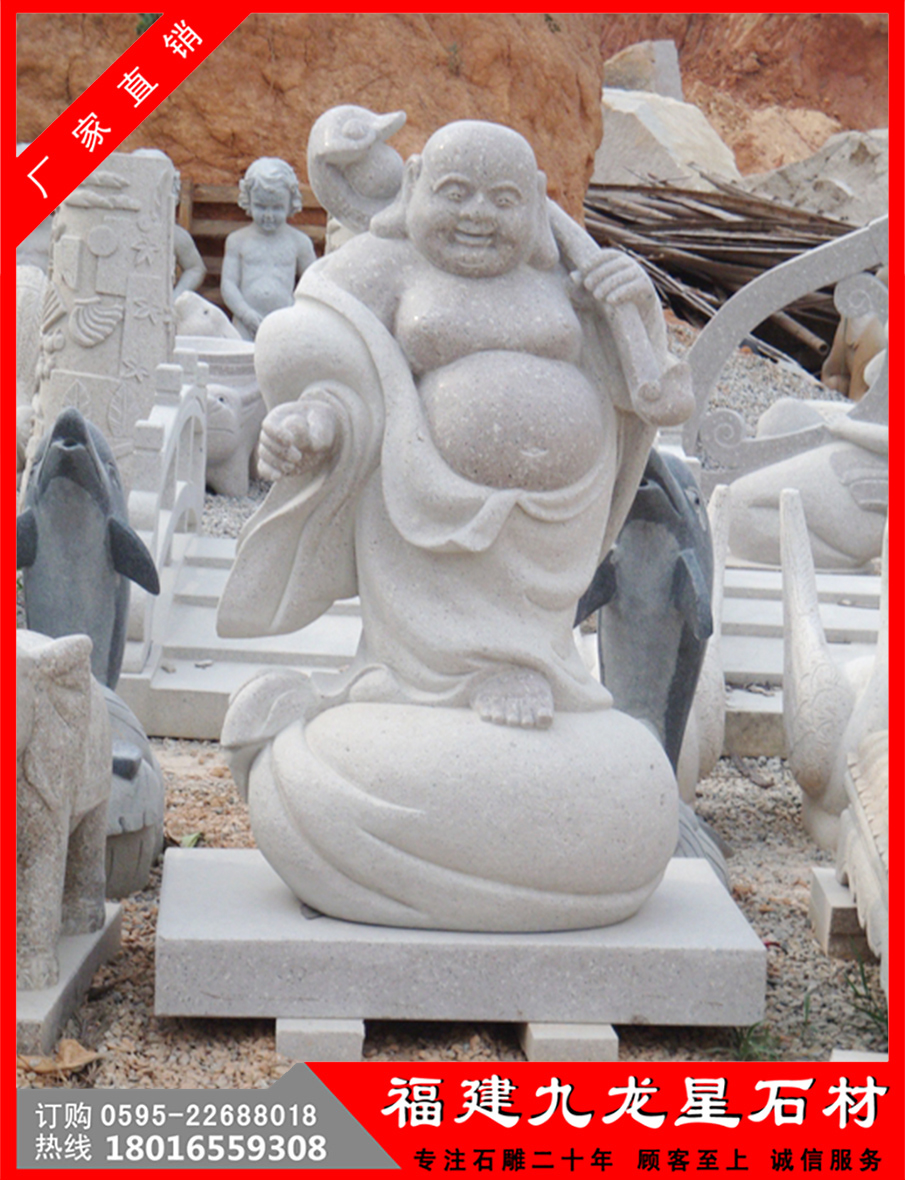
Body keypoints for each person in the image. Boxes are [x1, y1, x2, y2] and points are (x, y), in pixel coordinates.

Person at [219, 121, 691, 730]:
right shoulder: (386, 266)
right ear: (415, 184)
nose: (477, 215)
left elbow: (657, 400)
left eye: (504, 200)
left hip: (557, 519)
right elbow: (332, 363)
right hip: (427, 503)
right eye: (455, 192)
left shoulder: (565, 279)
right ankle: (448, 672)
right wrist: (314, 421)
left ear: (537, 200)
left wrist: (638, 305)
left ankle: (525, 661)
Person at [220, 157, 317, 339]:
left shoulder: (300, 242)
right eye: (261, 206)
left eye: (277, 208)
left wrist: (295, 312)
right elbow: (228, 284)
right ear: (248, 201)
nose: (269, 215)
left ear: (291, 203)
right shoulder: (237, 241)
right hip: (245, 324)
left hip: (285, 324)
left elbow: (313, 284)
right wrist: (245, 313)